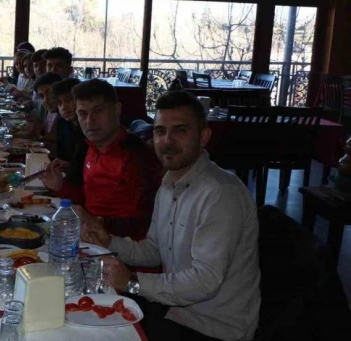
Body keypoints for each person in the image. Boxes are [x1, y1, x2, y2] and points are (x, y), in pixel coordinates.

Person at [90, 91, 260, 341]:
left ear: (203, 137)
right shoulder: (170, 183)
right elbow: (154, 249)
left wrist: (133, 282)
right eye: (160, 131)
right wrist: (108, 241)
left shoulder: (221, 193)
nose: (167, 141)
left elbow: (205, 281)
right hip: (175, 313)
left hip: (214, 329)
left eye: (180, 130)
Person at [42, 79, 161, 241]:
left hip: (120, 247)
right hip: (91, 238)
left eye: (98, 111)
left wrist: (98, 222)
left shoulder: (137, 156)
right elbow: (88, 202)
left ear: (117, 109)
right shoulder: (92, 148)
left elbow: (147, 223)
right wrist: (60, 186)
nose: (90, 121)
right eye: (82, 114)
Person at [50, 78, 85, 165]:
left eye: (68, 100)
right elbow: (61, 156)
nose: (63, 107)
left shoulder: (88, 128)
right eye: (59, 103)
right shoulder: (62, 123)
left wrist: (68, 166)